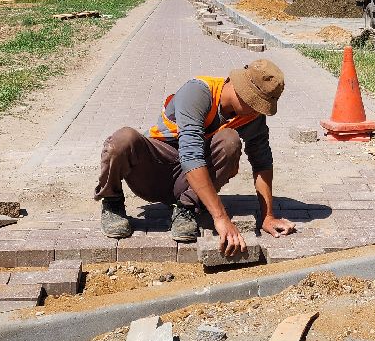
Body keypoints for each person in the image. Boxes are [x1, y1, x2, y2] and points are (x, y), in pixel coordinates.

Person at [95, 59, 297, 255]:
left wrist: (268, 216)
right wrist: (220, 217)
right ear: (244, 92)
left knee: (229, 140)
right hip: (154, 171)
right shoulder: (198, 92)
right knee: (122, 140)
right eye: (257, 104)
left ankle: (187, 207)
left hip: (190, 185)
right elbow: (190, 155)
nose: (258, 111)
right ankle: (112, 202)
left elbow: (262, 161)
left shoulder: (250, 116)